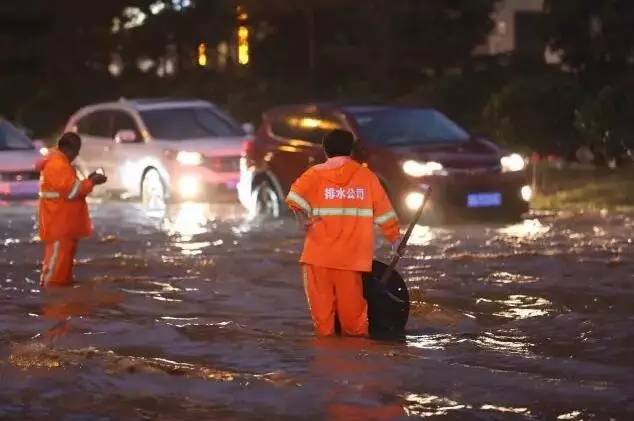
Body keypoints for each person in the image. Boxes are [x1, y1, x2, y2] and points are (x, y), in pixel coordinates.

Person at [285, 129, 400, 337]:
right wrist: (394, 239)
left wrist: (302, 218)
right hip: (351, 260)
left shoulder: (314, 174)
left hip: (317, 257)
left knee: (323, 323)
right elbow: (385, 214)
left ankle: (325, 362)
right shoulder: (367, 177)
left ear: (325, 150)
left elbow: (294, 198)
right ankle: (354, 363)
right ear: (352, 150)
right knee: (354, 321)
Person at [37, 132, 107, 287]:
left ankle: (60, 301)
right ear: (70, 148)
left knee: (61, 271)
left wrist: (89, 180)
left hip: (62, 225)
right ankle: (54, 304)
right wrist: (91, 182)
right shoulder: (58, 165)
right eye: (76, 151)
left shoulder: (58, 163)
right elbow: (71, 191)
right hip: (59, 225)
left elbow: (68, 188)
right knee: (55, 274)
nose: (77, 155)